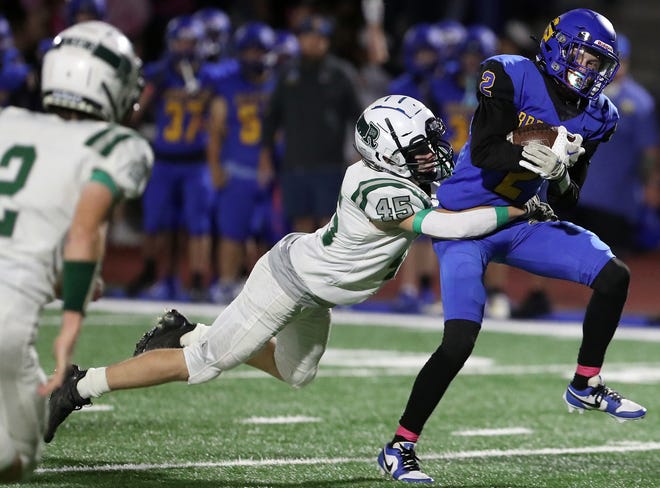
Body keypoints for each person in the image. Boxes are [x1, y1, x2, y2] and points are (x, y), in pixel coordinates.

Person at [42, 95, 548, 447]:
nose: (433, 154)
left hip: (317, 293)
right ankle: (79, 386)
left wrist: (526, 153)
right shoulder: (376, 187)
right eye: (420, 148)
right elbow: (451, 226)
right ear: (388, 151)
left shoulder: (402, 174)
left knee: (298, 373)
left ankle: (184, 329)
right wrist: (518, 211)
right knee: (202, 365)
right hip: (289, 281)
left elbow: (469, 176)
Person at [378, 9, 647, 484]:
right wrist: (544, 143)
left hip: (521, 221)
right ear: (557, 46)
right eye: (582, 56)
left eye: (596, 63)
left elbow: (567, 201)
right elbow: (483, 150)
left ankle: (586, 381)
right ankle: (401, 445)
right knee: (459, 340)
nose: (588, 69)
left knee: (614, 276)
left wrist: (561, 171)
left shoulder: (599, 114)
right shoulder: (508, 72)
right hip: (463, 223)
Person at [0, 21, 151, 482]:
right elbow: (84, 231)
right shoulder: (118, 146)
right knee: (15, 461)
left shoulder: (9, 121)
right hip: (7, 317)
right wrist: (71, 321)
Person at [125, 15, 214, 302]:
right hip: (164, 160)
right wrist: (153, 84)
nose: (185, 48)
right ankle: (150, 272)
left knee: (198, 226)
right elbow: (135, 114)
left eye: (191, 42)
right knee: (154, 223)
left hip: (196, 161)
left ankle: (198, 279)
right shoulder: (159, 74)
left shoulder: (211, 77)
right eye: (181, 41)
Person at [259, 14, 363, 234]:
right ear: (299, 39)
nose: (314, 41)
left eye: (321, 36)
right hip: (294, 164)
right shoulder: (286, 74)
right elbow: (271, 118)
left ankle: (327, 270)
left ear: (327, 41)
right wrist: (265, 154)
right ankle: (304, 270)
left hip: (330, 165)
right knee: (300, 227)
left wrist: (360, 153)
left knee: (329, 228)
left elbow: (361, 117)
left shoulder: (341, 73)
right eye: (308, 35)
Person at [206, 22, 277, 303]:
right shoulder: (228, 86)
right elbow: (215, 130)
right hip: (237, 168)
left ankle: (263, 288)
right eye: (248, 51)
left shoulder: (279, 83)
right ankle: (226, 282)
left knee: (269, 236)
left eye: (259, 51)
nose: (253, 57)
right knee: (232, 233)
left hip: (272, 171)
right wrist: (214, 167)